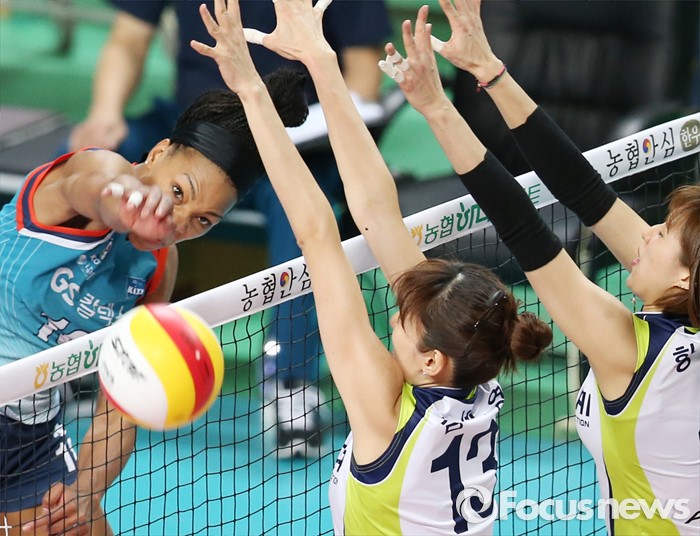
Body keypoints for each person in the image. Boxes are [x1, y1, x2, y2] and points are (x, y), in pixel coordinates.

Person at [191, 0, 552, 533]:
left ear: (431, 361)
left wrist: (251, 89)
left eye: (404, 318)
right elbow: (379, 213)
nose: (393, 316)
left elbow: (318, 234)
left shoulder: (387, 407)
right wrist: (321, 62)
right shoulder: (476, 372)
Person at [383, 1, 700, 533]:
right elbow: (583, 187)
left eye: (663, 233)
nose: (646, 231)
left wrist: (437, 108)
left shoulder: (631, 353)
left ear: (685, 277)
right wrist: (489, 71)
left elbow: (521, 224)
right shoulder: (681, 305)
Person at [65, 0, 393, 457]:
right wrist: (105, 112)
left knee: (304, 221)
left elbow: (364, 82)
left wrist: (275, 136)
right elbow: (127, 39)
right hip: (190, 132)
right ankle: (74, 354)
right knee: (86, 164)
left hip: (290, 146)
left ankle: (291, 381)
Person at [0, 71, 307, 535]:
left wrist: (86, 490)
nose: (178, 221)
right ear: (159, 152)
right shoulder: (92, 174)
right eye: (178, 193)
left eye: (202, 220)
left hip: (29, 437)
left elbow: (121, 404)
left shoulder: (159, 266)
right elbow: (99, 186)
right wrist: (127, 204)